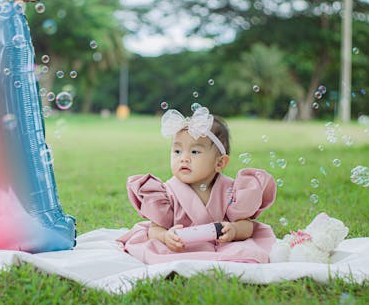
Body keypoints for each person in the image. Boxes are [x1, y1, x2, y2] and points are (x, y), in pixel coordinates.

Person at [117, 106, 277, 264]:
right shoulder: (166, 193)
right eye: (177, 151)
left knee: (247, 252)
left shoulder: (231, 190)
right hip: (180, 246)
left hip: (222, 245)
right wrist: (165, 237)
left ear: (220, 162)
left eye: (194, 152)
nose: (183, 158)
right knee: (153, 250)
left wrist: (234, 230)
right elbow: (154, 229)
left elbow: (247, 226)